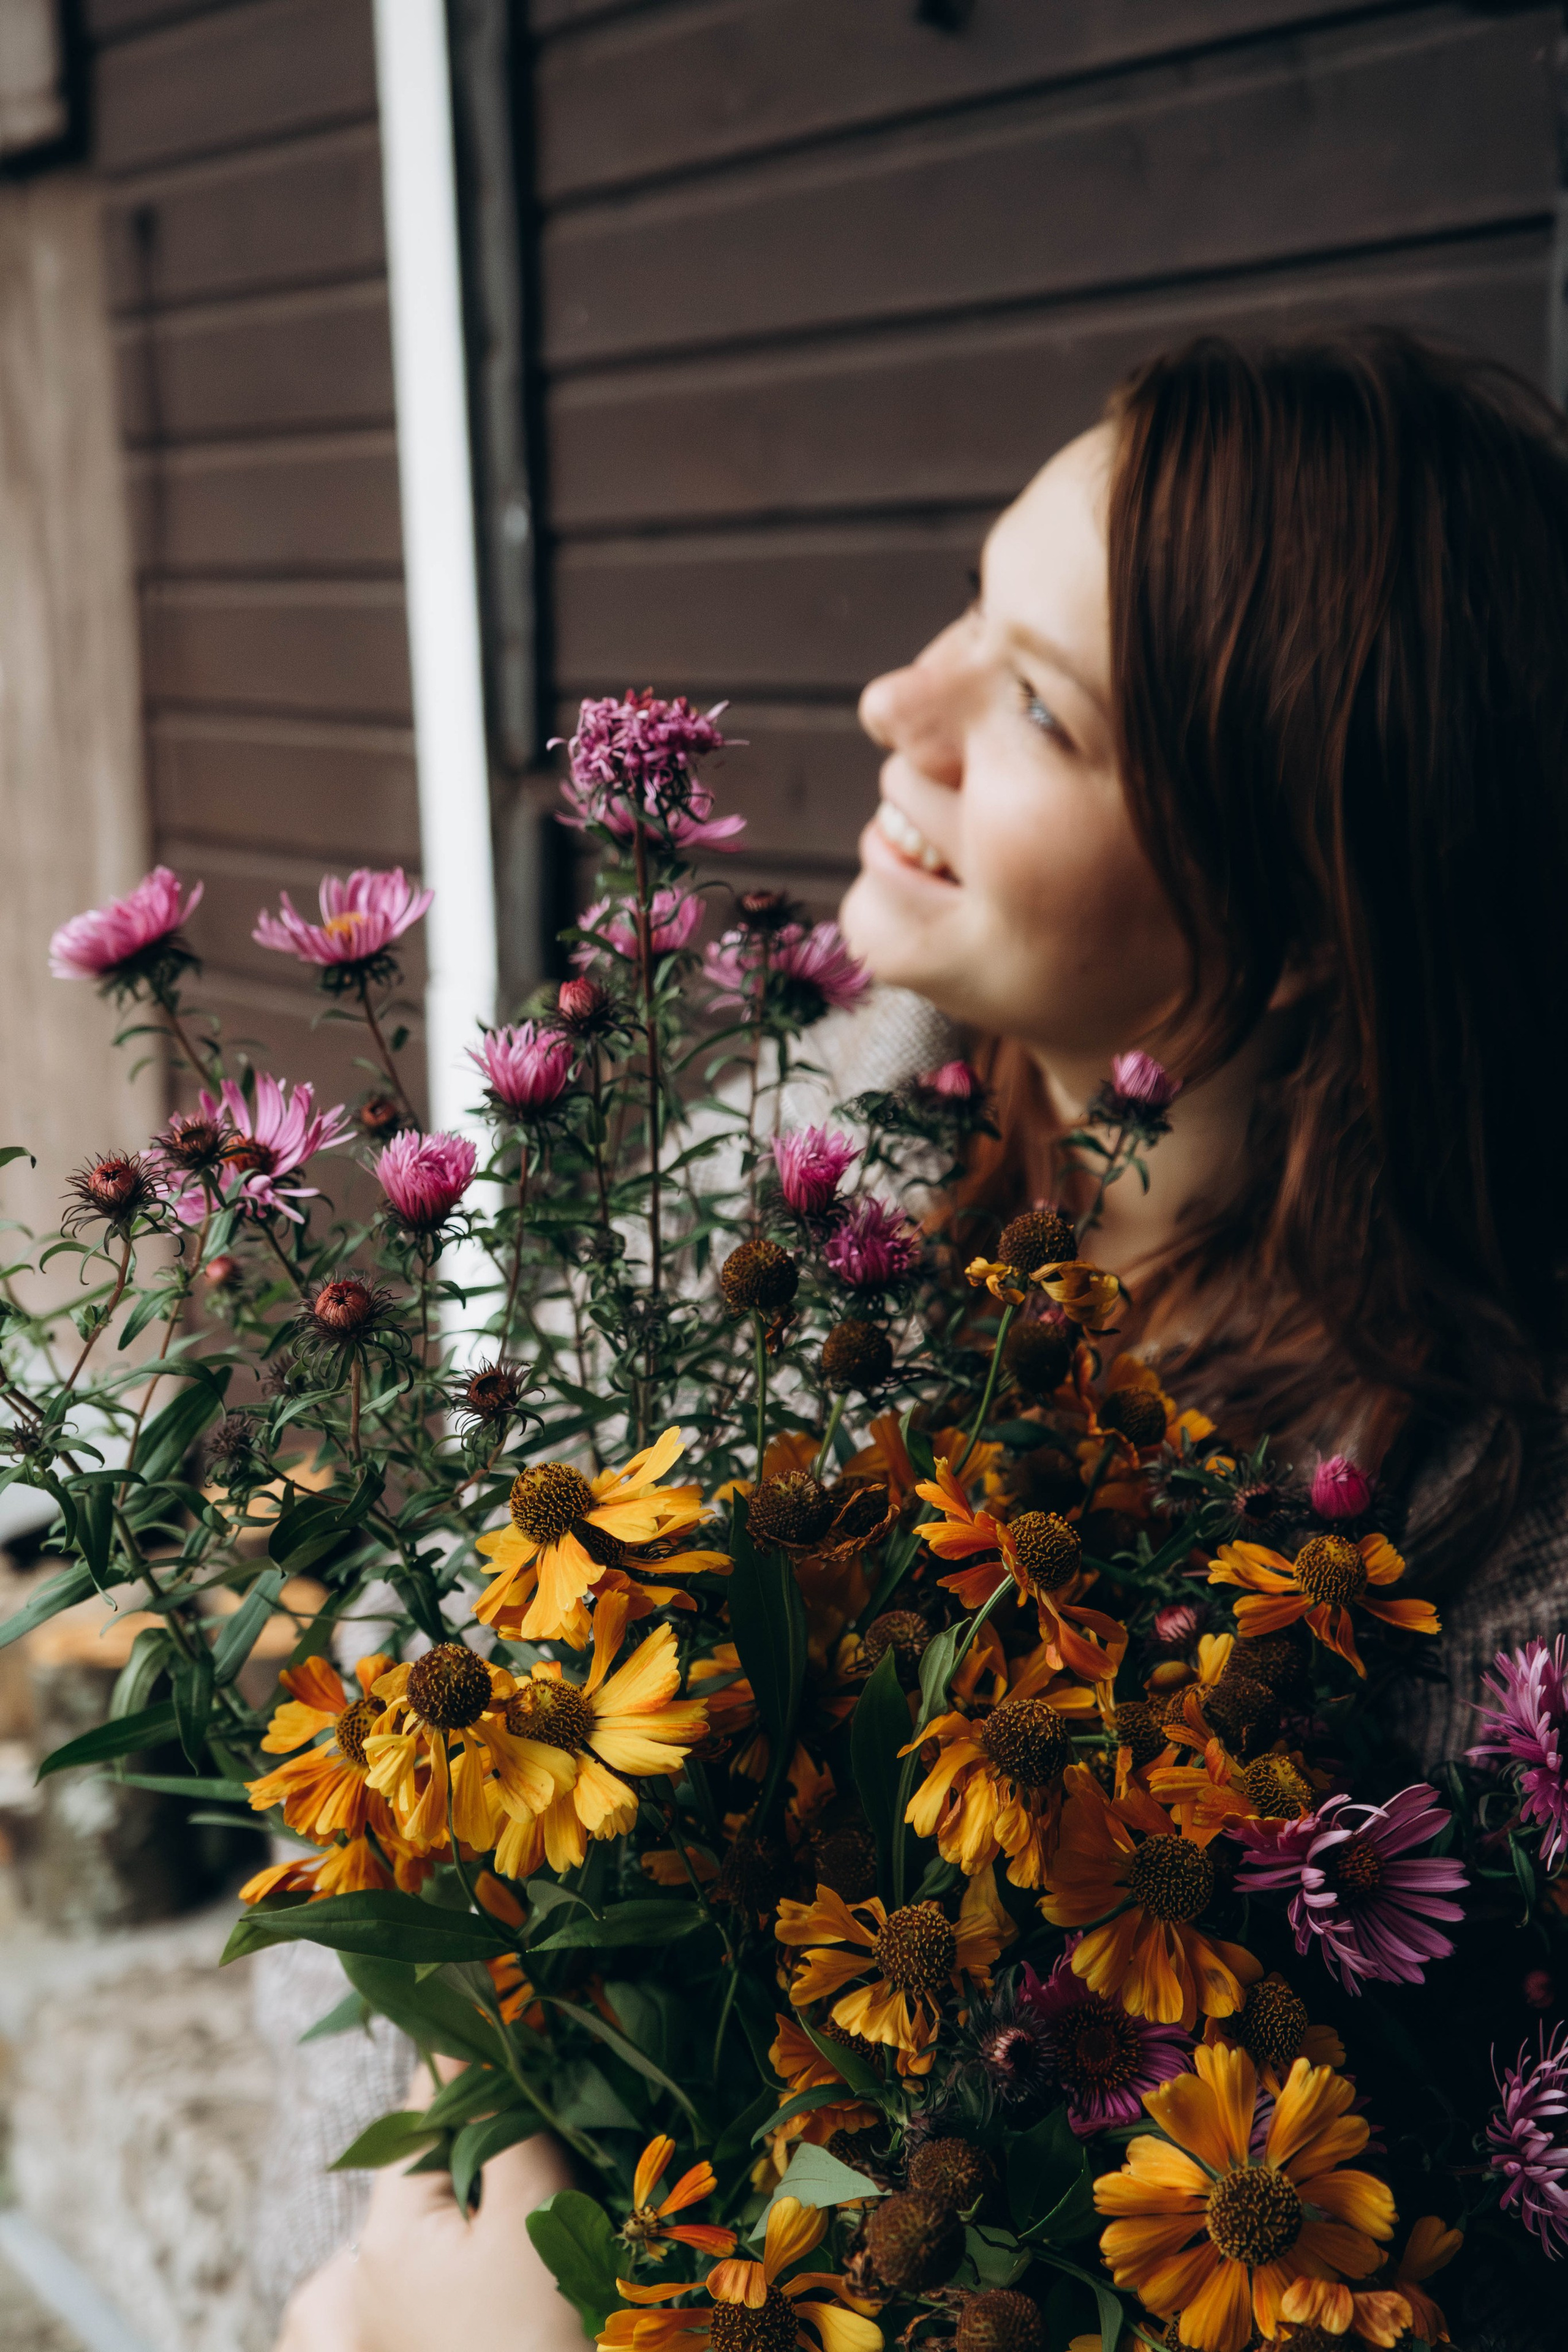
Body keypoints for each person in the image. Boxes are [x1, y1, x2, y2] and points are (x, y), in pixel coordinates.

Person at [274, 329, 1568, 2352]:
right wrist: (491, 2147)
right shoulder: (796, 1167)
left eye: (1039, 708)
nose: (898, 701)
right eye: (971, 606)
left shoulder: (1498, 1596)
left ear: (1317, 912)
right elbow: (395, 1758)